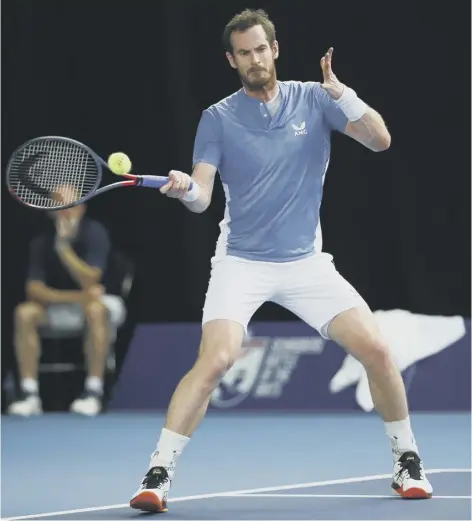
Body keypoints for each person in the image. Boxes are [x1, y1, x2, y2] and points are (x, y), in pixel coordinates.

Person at [130, 8, 432, 512]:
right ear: (232, 60)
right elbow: (204, 196)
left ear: (275, 49)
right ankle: (157, 473)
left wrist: (343, 94)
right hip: (241, 262)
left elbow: (380, 141)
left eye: (260, 49)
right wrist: (183, 188)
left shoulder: (315, 99)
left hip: (306, 264)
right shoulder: (217, 118)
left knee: (378, 351)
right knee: (217, 360)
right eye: (243, 53)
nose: (254, 59)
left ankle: (407, 461)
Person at [8, 184, 126, 417]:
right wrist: (78, 297)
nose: (65, 211)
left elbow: (90, 279)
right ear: (50, 210)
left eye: (70, 205)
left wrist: (64, 250)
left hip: (102, 306)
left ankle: (93, 392)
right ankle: (30, 395)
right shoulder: (41, 242)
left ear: (81, 208)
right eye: (59, 206)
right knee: (25, 313)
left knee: (95, 310)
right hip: (61, 306)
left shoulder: (95, 233)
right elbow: (34, 290)